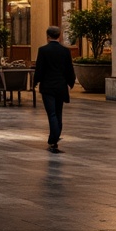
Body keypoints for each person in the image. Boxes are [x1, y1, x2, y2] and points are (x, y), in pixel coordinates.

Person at [33, 25, 75, 153]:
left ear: (47, 36)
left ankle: (53, 139)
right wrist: (70, 82)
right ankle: (54, 139)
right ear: (60, 36)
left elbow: (39, 68)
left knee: (51, 113)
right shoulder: (65, 51)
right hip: (61, 86)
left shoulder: (43, 50)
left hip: (48, 87)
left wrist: (35, 82)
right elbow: (69, 69)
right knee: (58, 113)